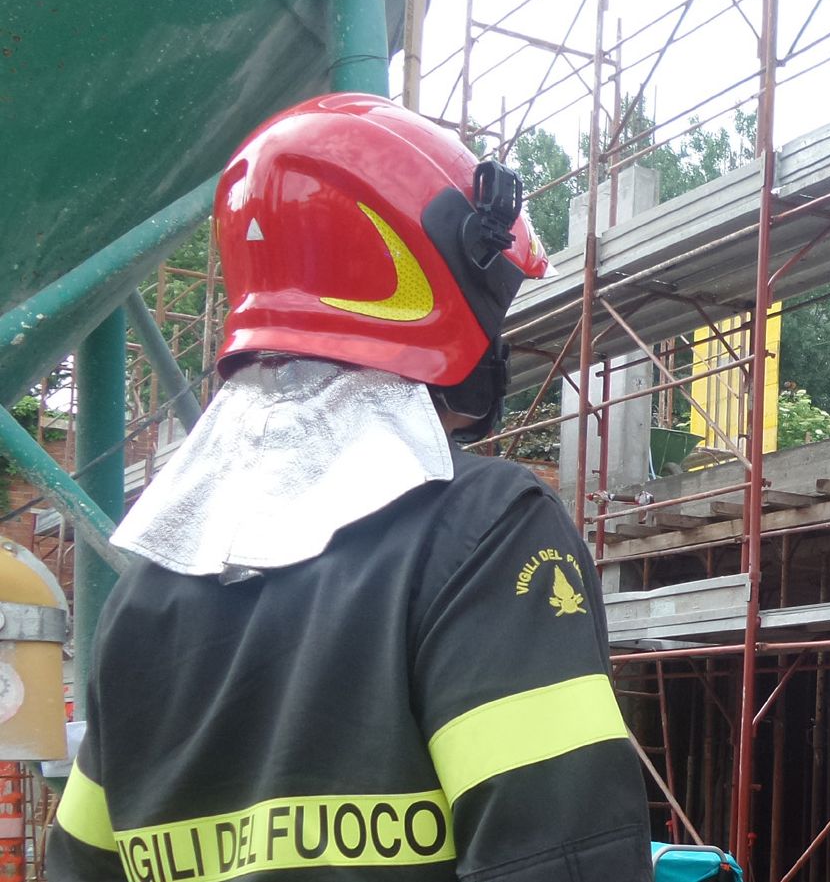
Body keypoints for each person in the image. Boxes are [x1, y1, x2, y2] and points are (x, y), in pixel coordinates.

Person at [47, 93, 653, 882]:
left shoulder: (144, 596)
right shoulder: (487, 534)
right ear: (431, 278)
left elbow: (78, 867)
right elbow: (568, 863)